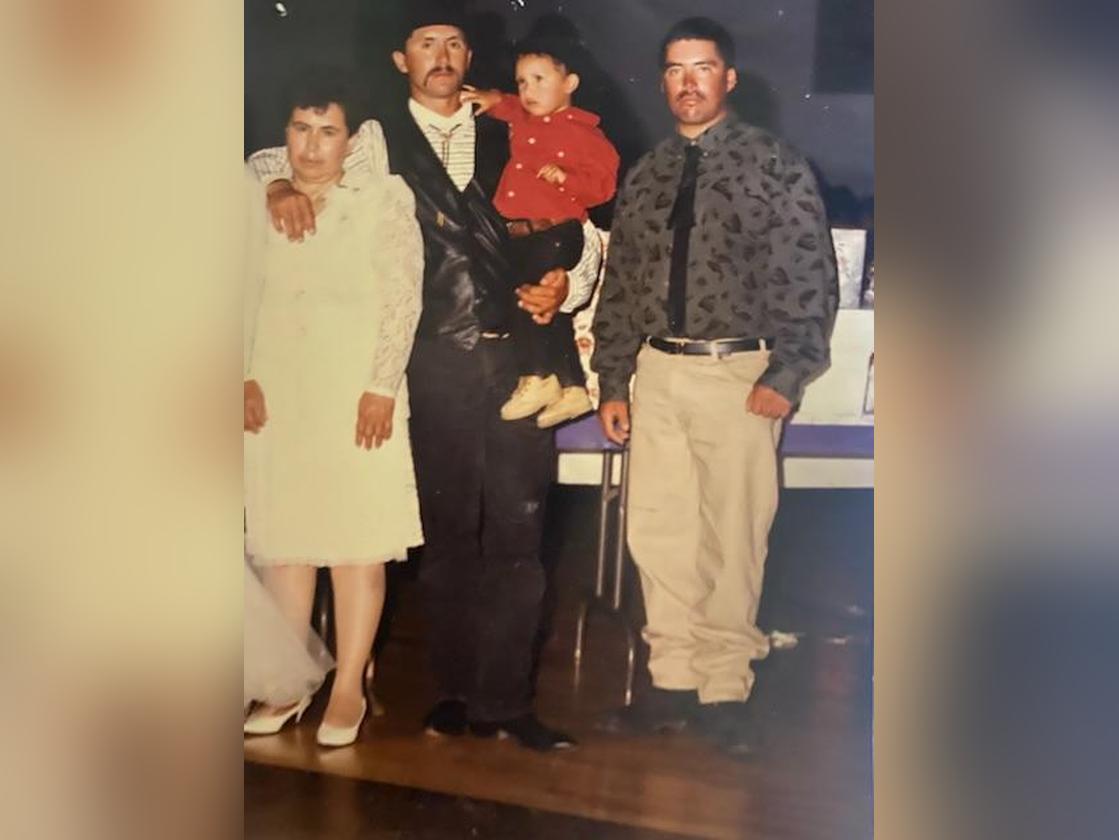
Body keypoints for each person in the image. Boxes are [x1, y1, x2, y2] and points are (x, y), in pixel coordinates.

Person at [248, 1, 602, 752]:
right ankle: (451, 694)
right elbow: (290, 153)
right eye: (424, 42)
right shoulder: (377, 142)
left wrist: (566, 285)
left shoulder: (515, 125)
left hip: (519, 361)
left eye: (454, 43)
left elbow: (585, 222)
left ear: (470, 57)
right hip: (429, 364)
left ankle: (506, 701)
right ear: (400, 60)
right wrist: (275, 184)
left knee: (518, 537)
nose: (440, 55)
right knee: (446, 541)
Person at [591, 17, 838, 755]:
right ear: (662, 81)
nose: (688, 82)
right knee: (658, 531)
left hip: (739, 375)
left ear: (728, 78)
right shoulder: (649, 172)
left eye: (702, 68)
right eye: (675, 69)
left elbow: (809, 277)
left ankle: (726, 686)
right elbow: (621, 284)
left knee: (733, 535)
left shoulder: (773, 164)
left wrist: (786, 374)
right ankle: (671, 679)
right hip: (658, 373)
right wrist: (613, 378)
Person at [242, 67, 425, 748]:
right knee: (286, 545)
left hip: (356, 393)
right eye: (301, 128)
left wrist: (381, 386)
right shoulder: (257, 194)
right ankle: (289, 682)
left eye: (328, 131)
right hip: (278, 388)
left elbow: (403, 298)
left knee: (356, 545)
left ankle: (348, 685)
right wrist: (242, 374)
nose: (312, 146)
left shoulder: (382, 199)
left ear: (352, 139)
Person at [462, 35, 619, 428]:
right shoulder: (522, 117)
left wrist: (567, 179)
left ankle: (536, 376)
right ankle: (572, 386)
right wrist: (491, 98)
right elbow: (508, 104)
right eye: (521, 81)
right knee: (546, 305)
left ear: (570, 83)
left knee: (526, 297)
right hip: (523, 234)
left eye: (539, 79)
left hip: (558, 231)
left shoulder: (586, 133)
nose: (528, 90)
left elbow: (604, 186)